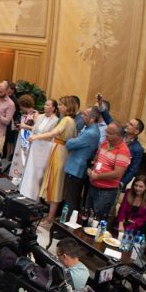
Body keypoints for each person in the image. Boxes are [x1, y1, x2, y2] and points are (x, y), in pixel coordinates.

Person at [37, 96, 80, 224]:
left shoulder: (66, 120)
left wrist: (37, 137)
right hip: (61, 151)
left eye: (61, 105)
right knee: (55, 182)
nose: (59, 107)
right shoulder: (71, 120)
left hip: (59, 152)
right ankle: (50, 215)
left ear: (67, 107)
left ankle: (50, 217)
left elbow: (54, 133)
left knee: (55, 184)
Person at [86, 122, 131, 218]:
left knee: (96, 220)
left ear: (118, 135)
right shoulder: (105, 143)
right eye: (106, 131)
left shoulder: (123, 151)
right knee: (86, 215)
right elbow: (98, 159)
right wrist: (92, 170)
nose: (106, 135)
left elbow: (117, 173)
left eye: (110, 133)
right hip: (93, 186)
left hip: (106, 192)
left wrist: (97, 176)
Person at [62, 106, 102, 212]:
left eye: (85, 115)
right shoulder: (89, 129)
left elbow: (70, 144)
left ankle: (66, 220)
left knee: (71, 198)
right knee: (71, 197)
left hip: (76, 169)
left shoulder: (91, 133)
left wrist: (71, 139)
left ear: (92, 119)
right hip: (77, 168)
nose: (82, 116)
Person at [21, 98, 60, 200]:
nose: (45, 107)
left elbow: (50, 136)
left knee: (39, 172)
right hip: (34, 145)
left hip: (45, 148)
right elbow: (34, 129)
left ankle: (35, 196)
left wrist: (37, 137)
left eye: (48, 105)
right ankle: (25, 192)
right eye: (45, 104)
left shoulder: (56, 120)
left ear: (53, 108)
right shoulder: (40, 116)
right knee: (30, 169)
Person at [9, 94, 38, 185]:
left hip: (28, 139)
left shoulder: (35, 114)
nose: (20, 107)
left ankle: (22, 178)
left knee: (24, 158)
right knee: (18, 157)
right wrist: (20, 127)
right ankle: (16, 176)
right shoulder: (25, 114)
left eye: (21, 105)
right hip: (21, 137)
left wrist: (25, 126)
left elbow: (36, 128)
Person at [120, 117, 146, 188]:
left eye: (131, 124)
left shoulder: (138, 149)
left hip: (117, 182)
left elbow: (133, 170)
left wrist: (122, 183)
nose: (127, 124)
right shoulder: (118, 134)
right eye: (128, 122)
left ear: (136, 131)